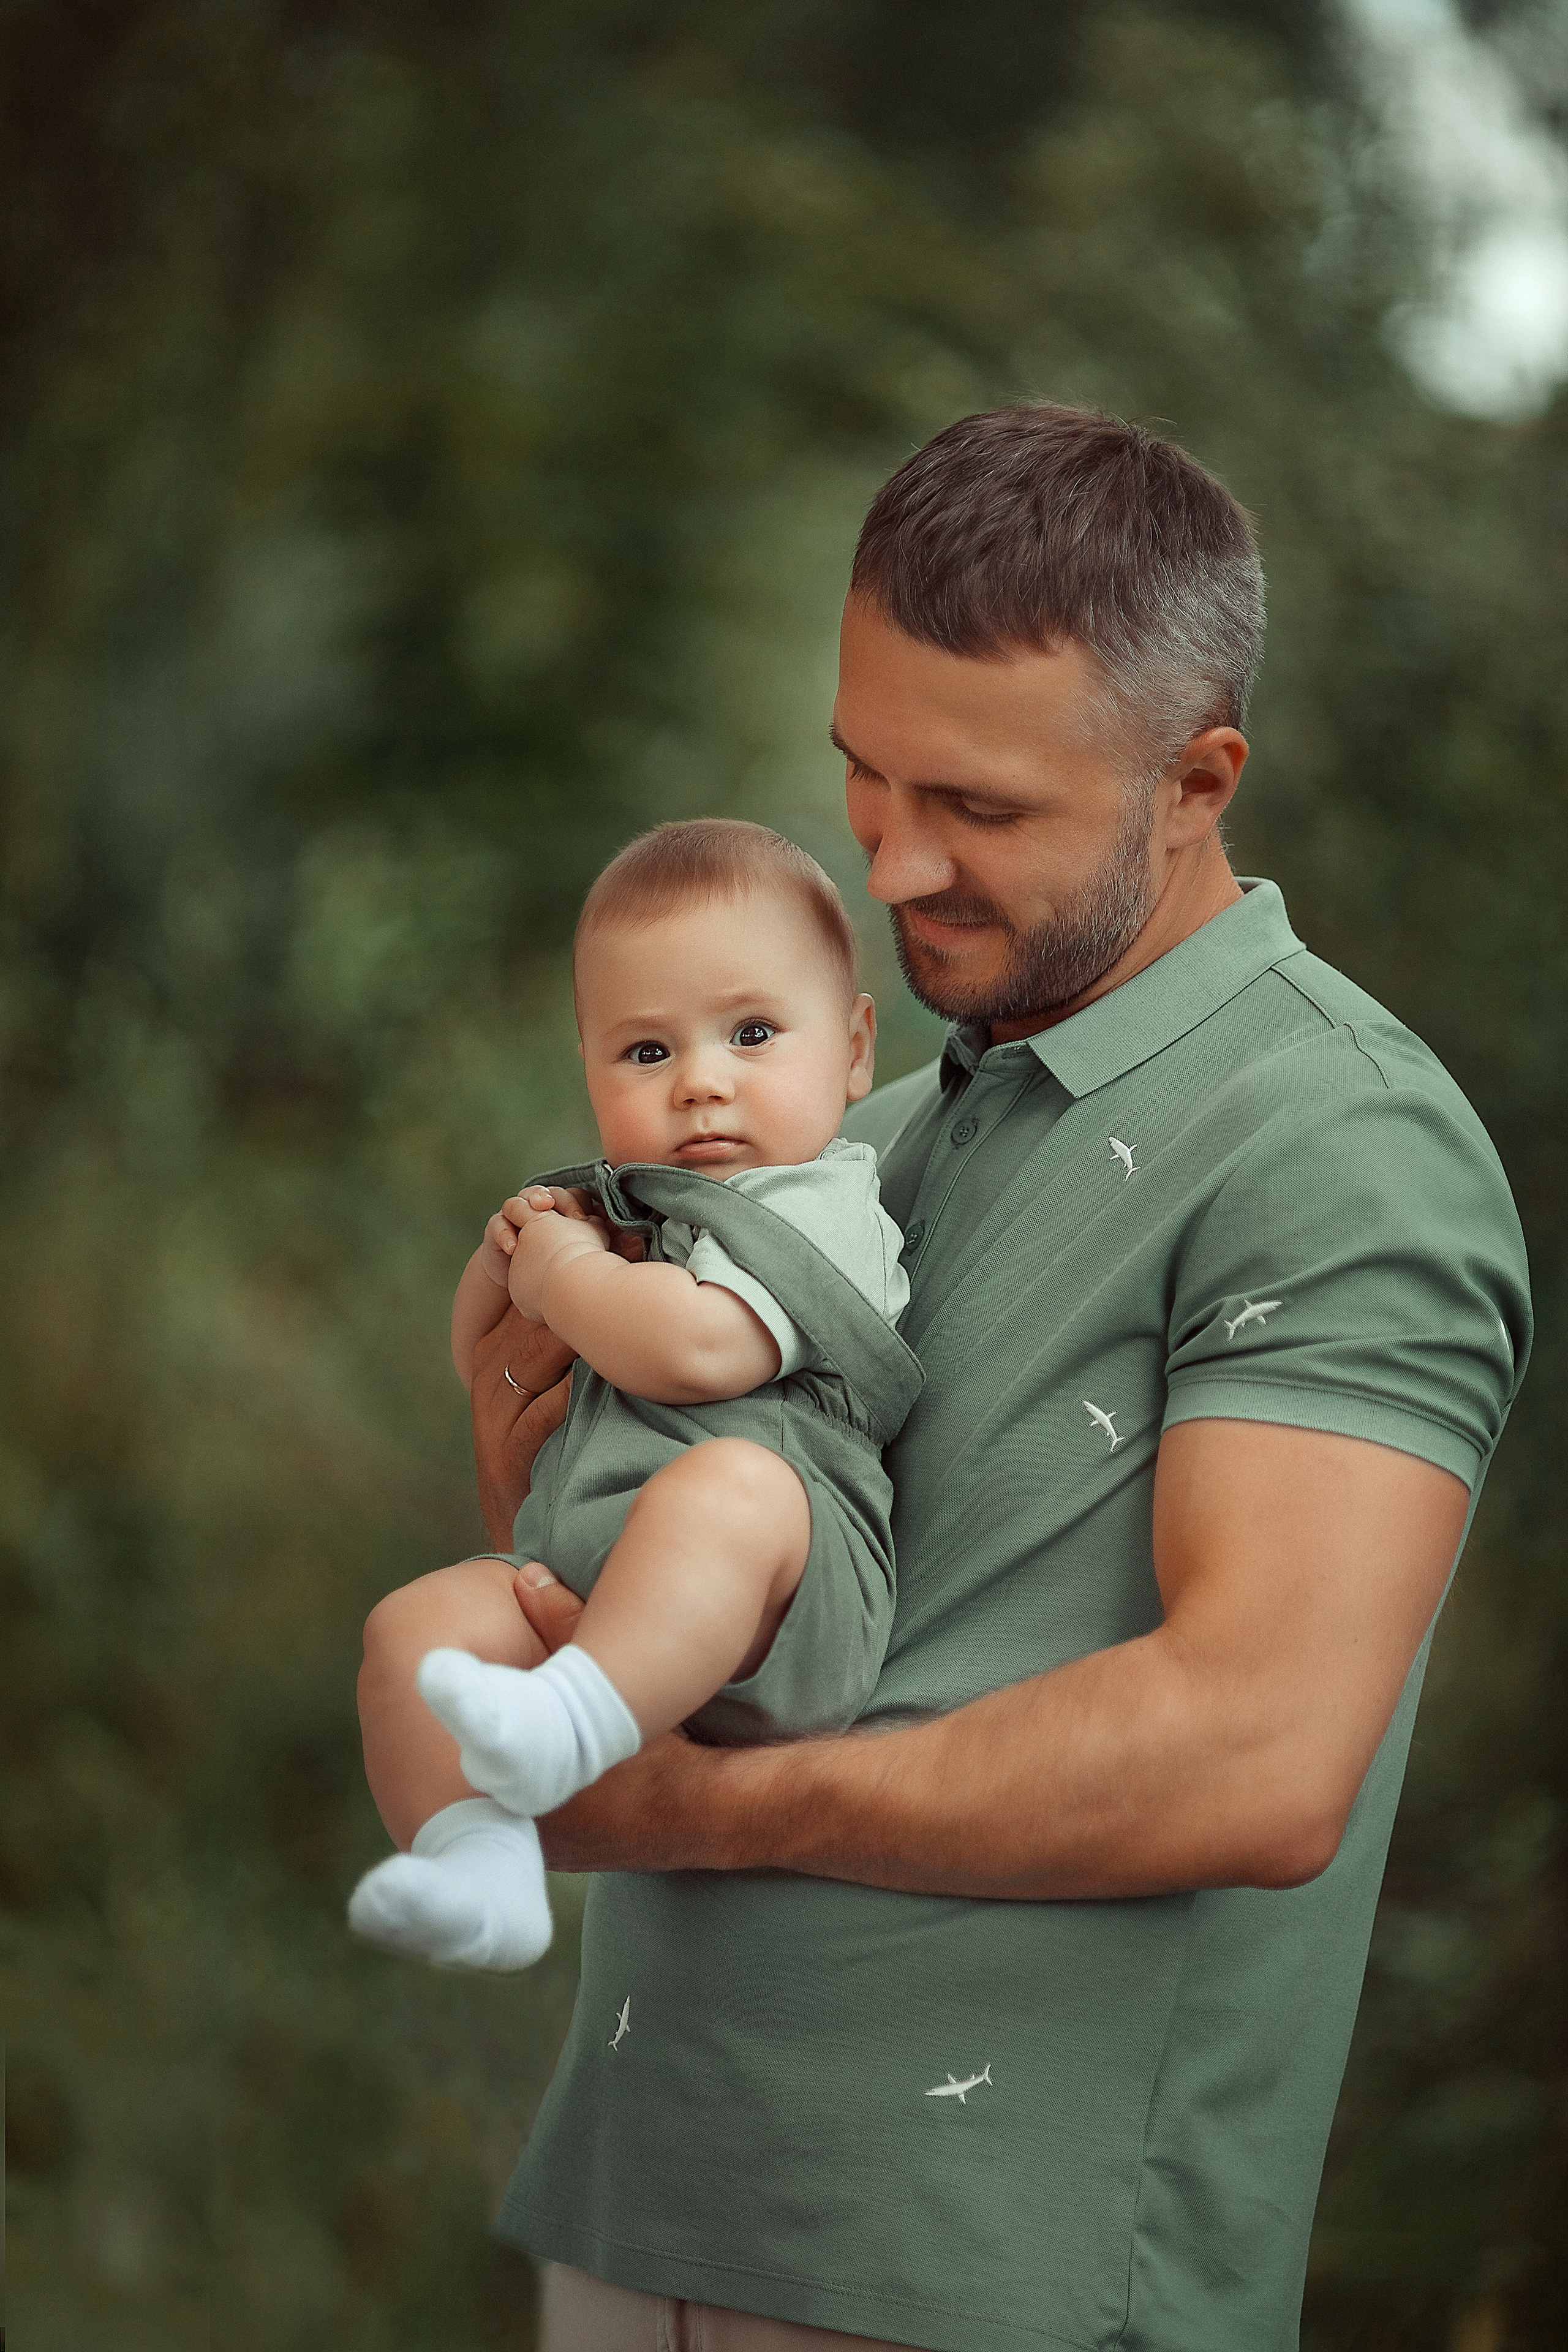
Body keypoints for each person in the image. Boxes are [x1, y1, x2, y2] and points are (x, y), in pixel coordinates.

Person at [467, 408, 1528, 2351]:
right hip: (639, 2205)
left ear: (1197, 778)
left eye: (981, 806)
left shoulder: (1341, 1146)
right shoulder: (844, 1149)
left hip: (986, 2277)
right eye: (862, 775)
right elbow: (678, 1658)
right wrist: (540, 1467)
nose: (888, 858)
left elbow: (1260, 1753)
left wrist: (713, 1817)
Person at [349, 821, 919, 1973]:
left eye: (753, 1034)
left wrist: (569, 1277)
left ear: (855, 1051)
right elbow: (483, 1358)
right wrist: (514, 1252)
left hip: (782, 1604)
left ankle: (569, 1724)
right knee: (412, 1630)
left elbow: (702, 1353)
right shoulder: (638, 1217)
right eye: (646, 1053)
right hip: (592, 1584)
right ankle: (480, 1866)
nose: (702, 1082)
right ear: (591, 1069)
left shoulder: (821, 1203)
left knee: (732, 1486)